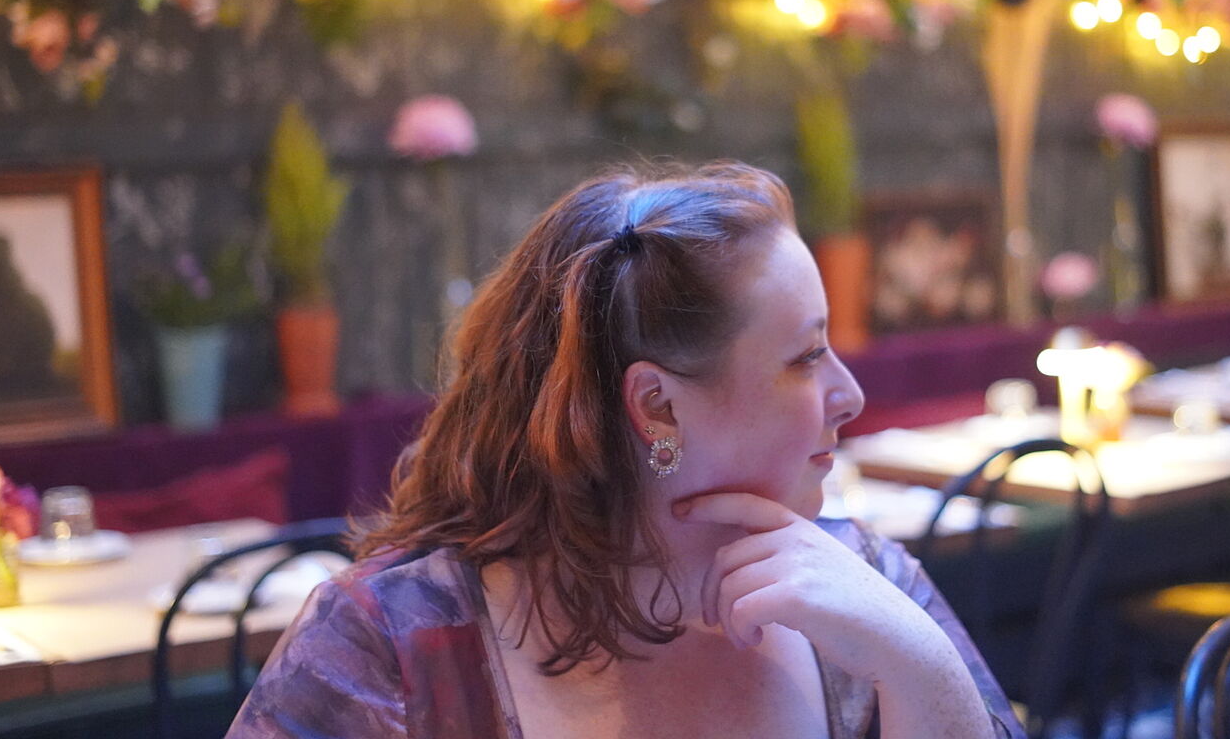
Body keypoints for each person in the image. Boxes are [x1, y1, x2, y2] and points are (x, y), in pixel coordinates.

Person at [228, 161, 1022, 738]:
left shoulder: (867, 588)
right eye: (807, 357)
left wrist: (922, 666)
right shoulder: (391, 643)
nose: (849, 395)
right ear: (656, 406)